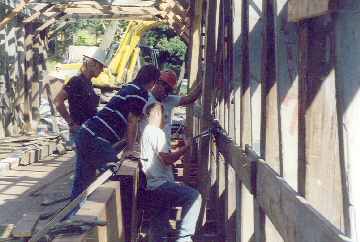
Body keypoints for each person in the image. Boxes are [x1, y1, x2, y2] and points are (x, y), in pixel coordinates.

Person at [71, 64, 160, 198]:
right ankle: (102, 212)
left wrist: (130, 141)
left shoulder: (129, 87)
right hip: (96, 138)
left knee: (82, 185)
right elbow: (132, 120)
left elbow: (128, 120)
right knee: (118, 174)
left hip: (85, 133)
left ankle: (73, 217)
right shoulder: (141, 92)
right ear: (153, 82)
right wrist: (130, 149)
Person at [140, 102, 202, 242]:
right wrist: (185, 148)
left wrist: (178, 150)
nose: (167, 119)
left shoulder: (146, 131)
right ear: (156, 114)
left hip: (152, 186)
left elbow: (161, 156)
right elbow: (167, 159)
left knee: (159, 228)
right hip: (161, 185)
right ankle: (184, 239)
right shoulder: (157, 132)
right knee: (194, 196)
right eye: (165, 115)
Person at [54, 48, 106, 148]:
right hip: (81, 131)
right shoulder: (76, 81)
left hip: (88, 131)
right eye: (101, 66)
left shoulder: (88, 83)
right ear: (92, 63)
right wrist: (71, 123)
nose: (102, 70)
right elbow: (58, 101)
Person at [140, 70, 202, 145]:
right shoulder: (145, 100)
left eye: (169, 90)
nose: (167, 93)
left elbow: (190, 98)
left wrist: (204, 79)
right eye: (166, 89)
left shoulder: (169, 100)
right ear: (158, 83)